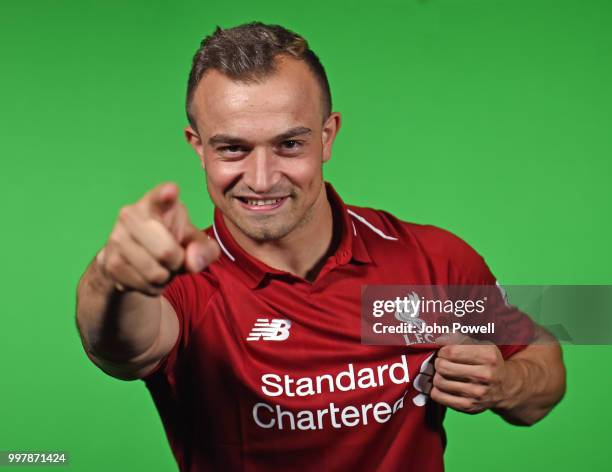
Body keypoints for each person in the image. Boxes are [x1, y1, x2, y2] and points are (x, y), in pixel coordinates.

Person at [75, 22, 566, 471]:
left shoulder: (428, 261)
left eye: (290, 144)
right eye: (233, 148)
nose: (262, 179)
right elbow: (117, 348)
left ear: (327, 137)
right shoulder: (187, 284)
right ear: (198, 147)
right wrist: (114, 277)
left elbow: (543, 360)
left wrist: (505, 383)